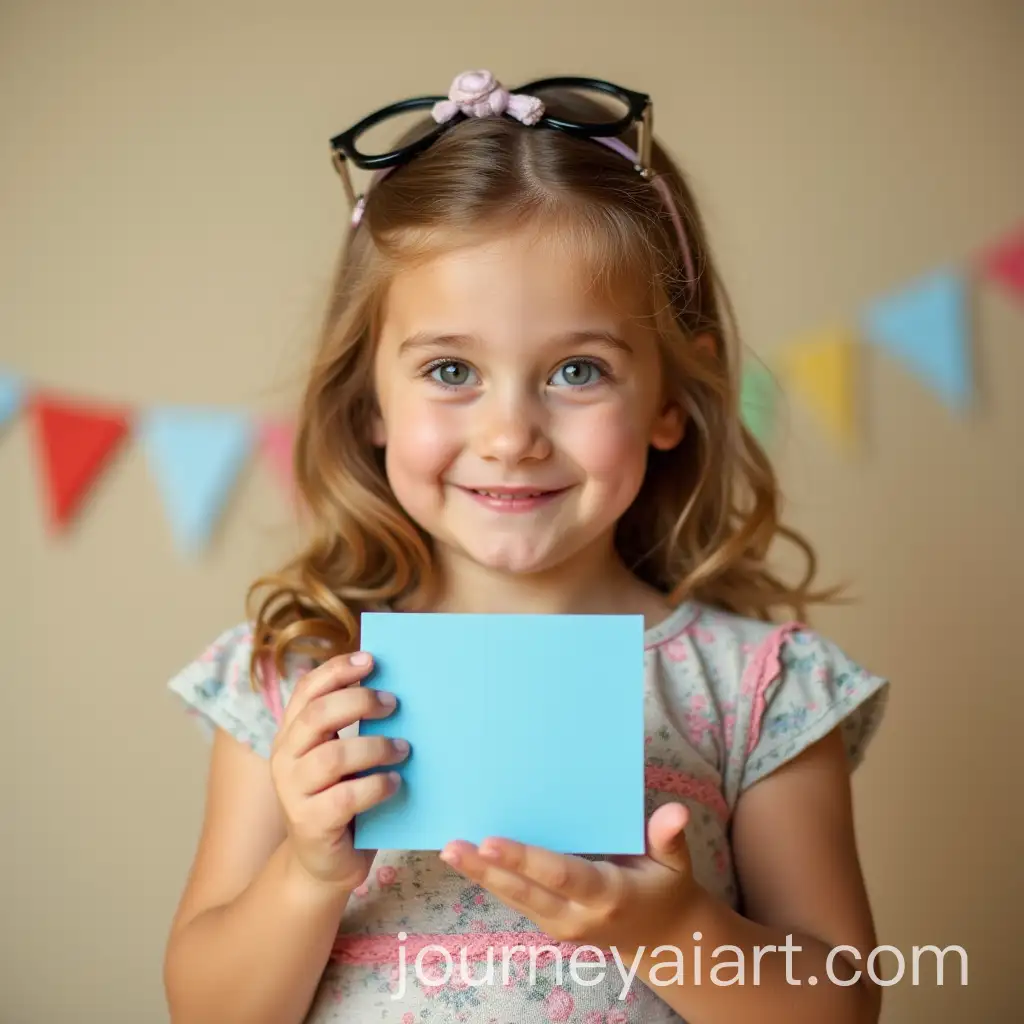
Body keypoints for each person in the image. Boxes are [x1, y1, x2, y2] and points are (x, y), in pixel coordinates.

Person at [162, 70, 890, 1024]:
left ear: (671, 396)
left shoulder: (758, 690)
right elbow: (206, 1011)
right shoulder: (298, 679)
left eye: (578, 370)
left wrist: (672, 932)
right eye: (451, 369)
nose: (512, 434)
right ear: (371, 400)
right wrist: (306, 871)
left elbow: (839, 1010)